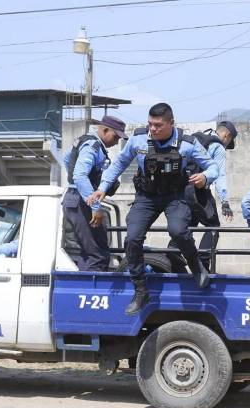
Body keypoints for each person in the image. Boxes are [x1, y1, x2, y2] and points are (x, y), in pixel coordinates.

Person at [86, 103, 219, 315]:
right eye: (150, 124)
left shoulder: (187, 143)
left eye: (158, 125)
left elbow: (213, 166)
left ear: (171, 124)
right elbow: (119, 164)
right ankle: (140, 290)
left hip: (175, 197)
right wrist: (102, 188)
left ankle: (196, 266)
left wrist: (205, 177)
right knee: (132, 238)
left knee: (178, 231)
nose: (153, 129)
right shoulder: (139, 140)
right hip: (146, 196)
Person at [62, 115, 127, 272]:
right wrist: (95, 207)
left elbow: (67, 160)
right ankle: (92, 292)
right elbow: (79, 175)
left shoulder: (84, 140)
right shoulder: (93, 145)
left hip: (76, 197)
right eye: (116, 136)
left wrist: (73, 184)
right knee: (97, 253)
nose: (117, 141)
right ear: (105, 130)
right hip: (82, 201)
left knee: (89, 250)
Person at [178, 121, 237, 271]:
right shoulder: (218, 147)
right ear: (227, 135)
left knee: (188, 224)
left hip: (181, 189)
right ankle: (204, 262)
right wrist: (225, 202)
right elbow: (220, 175)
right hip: (198, 189)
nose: (227, 145)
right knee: (213, 226)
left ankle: (174, 253)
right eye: (229, 141)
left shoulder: (195, 139)